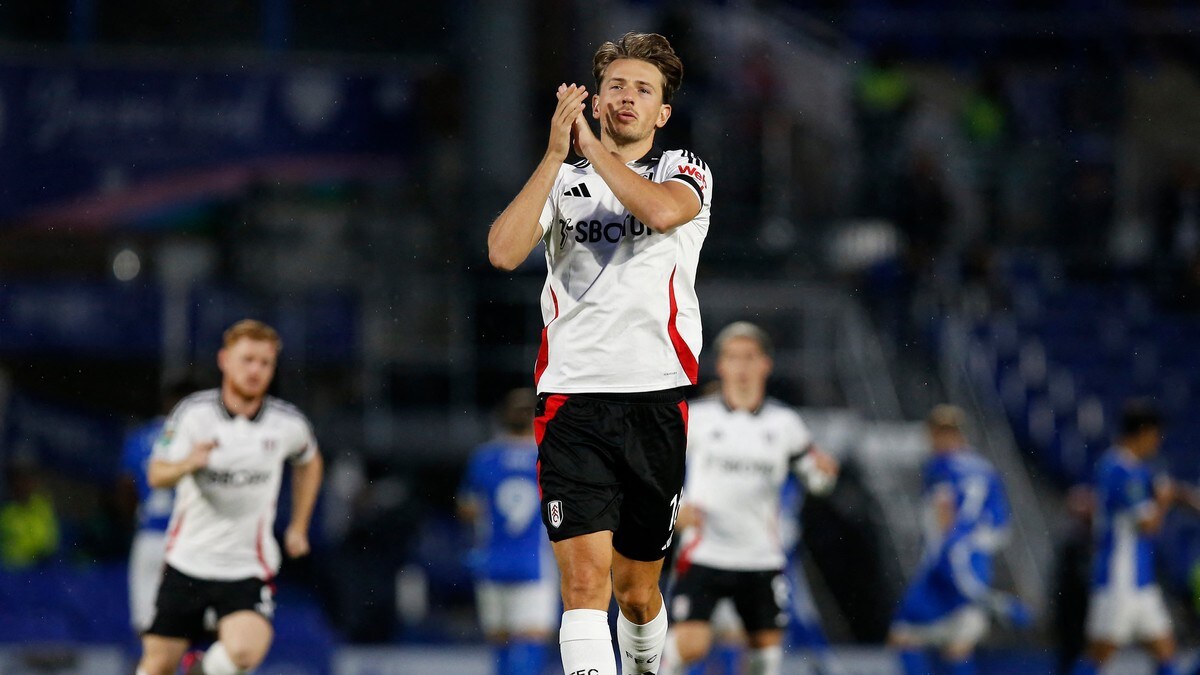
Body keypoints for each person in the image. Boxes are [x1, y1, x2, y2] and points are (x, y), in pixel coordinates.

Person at [486, 31, 713, 675]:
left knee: (636, 593)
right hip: (573, 399)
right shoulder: (565, 178)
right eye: (616, 85)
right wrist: (557, 155)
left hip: (656, 398)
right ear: (597, 96)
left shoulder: (683, 170)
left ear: (662, 112)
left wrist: (591, 151)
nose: (627, 98)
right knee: (584, 589)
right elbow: (503, 252)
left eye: (644, 89)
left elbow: (665, 214)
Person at [135, 319, 324, 675]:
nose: (255, 370)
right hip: (187, 562)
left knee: (243, 653)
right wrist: (189, 463)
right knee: (157, 665)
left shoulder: (286, 425)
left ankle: (202, 670)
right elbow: (156, 474)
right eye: (247, 359)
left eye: (265, 363)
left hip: (246, 567)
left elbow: (310, 461)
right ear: (224, 360)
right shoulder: (194, 415)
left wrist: (299, 524)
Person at [659, 321, 839, 675]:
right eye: (732, 357)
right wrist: (673, 510)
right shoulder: (699, 417)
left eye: (749, 357)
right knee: (689, 645)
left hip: (760, 555)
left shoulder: (785, 423)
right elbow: (658, 469)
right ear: (721, 365)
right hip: (704, 552)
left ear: (765, 364)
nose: (741, 366)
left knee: (764, 657)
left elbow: (816, 480)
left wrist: (826, 475)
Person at [888, 404, 1029, 675]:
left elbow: (946, 521)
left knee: (904, 637)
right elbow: (1001, 527)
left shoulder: (941, 466)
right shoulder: (985, 469)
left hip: (946, 568)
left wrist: (956, 558)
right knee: (957, 647)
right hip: (975, 566)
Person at [1070, 402, 1179, 675]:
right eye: (1155, 435)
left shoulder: (1128, 468)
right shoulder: (1120, 469)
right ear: (1142, 432)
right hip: (1119, 578)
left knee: (1166, 650)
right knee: (1099, 655)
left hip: (1140, 580)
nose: (1157, 443)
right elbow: (1148, 525)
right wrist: (1163, 501)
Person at [457, 388, 557, 675]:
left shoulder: (486, 457)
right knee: (532, 639)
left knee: (500, 643)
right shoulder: (546, 456)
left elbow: (467, 507)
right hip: (534, 563)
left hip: (492, 561)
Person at [118, 377, 200, 634]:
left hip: (149, 538)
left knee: (146, 629)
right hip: (187, 539)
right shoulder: (198, 441)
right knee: (191, 632)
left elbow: (125, 490)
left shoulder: (140, 437)